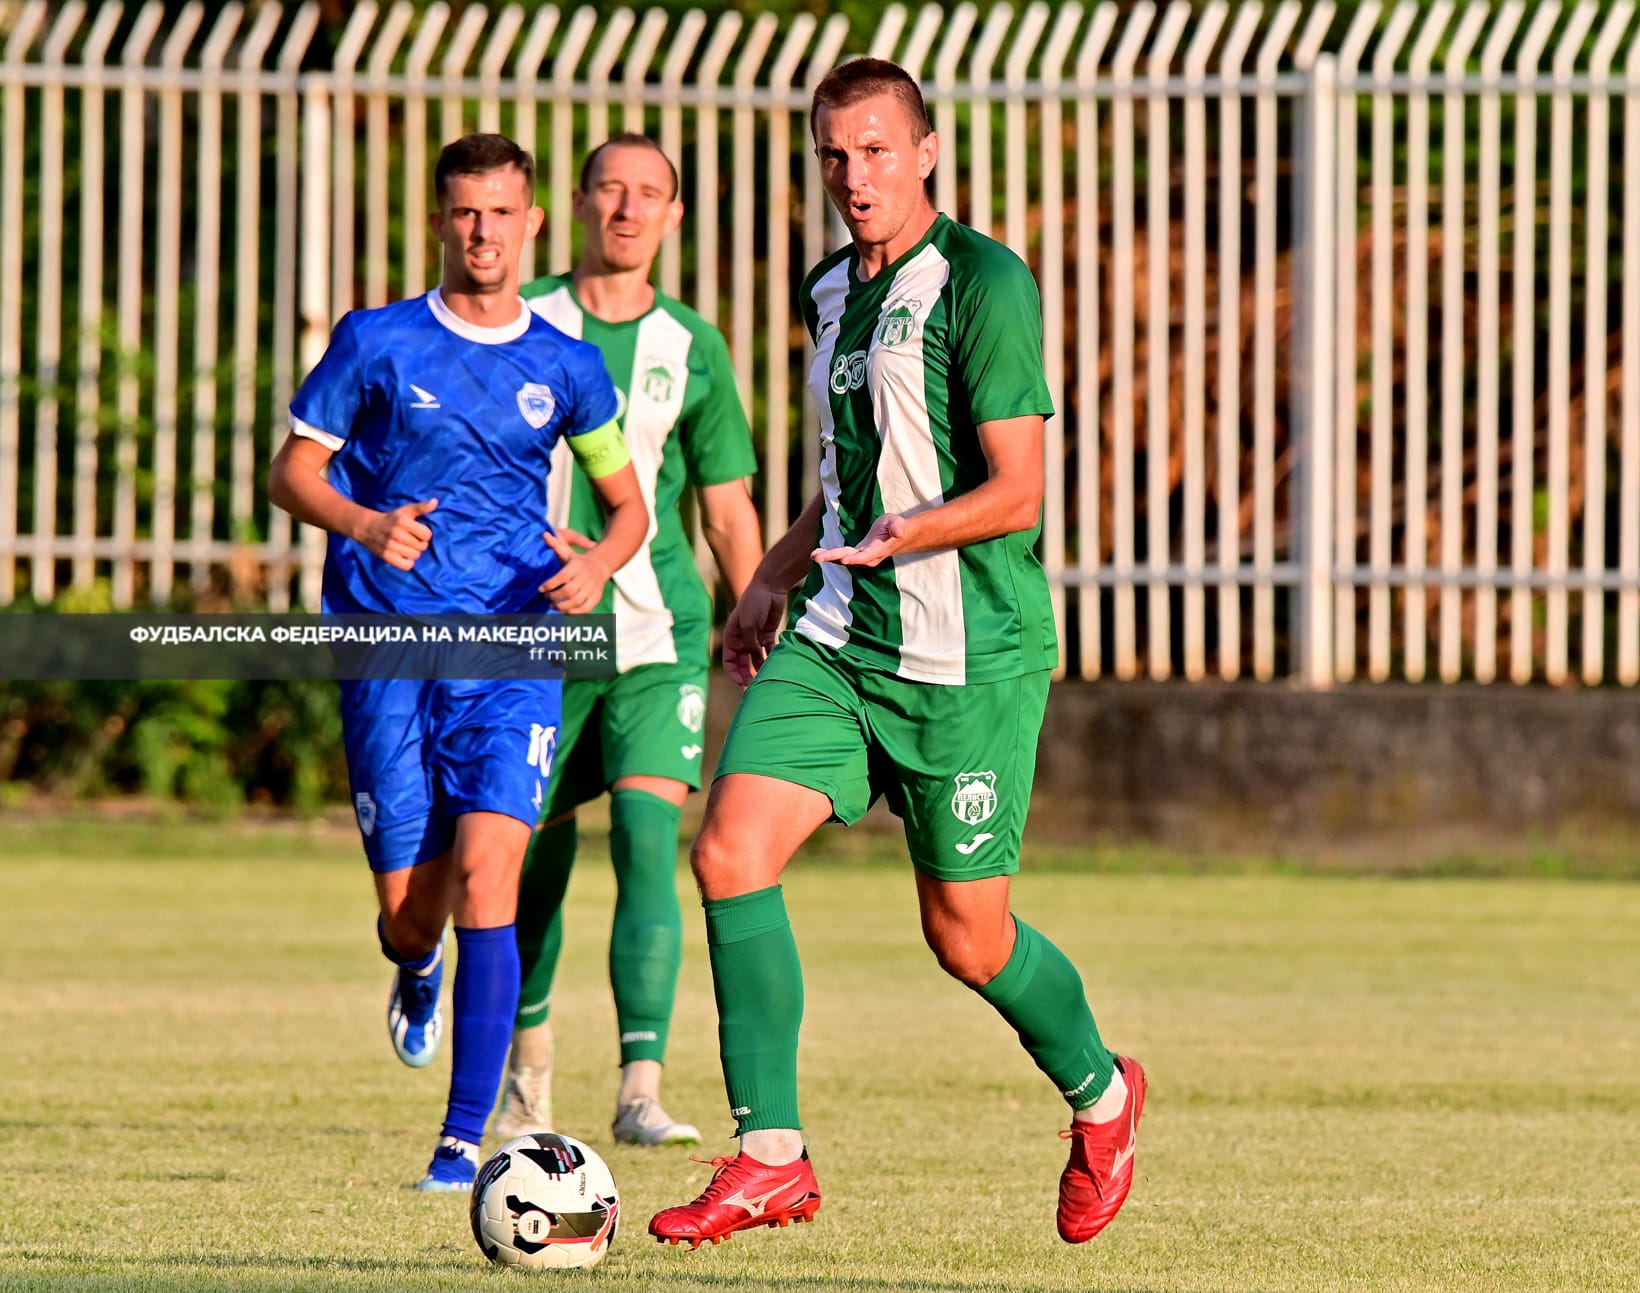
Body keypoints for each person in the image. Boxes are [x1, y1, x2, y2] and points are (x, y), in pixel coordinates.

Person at [646, 59, 1145, 1250]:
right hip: (838, 638)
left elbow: (1017, 491)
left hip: (968, 656)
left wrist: (917, 530)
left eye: (877, 150)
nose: (853, 175)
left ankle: (1106, 1096)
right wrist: (772, 571)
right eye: (834, 153)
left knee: (966, 935)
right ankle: (771, 1155)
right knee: (726, 850)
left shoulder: (984, 283)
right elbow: (845, 481)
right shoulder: (828, 291)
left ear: (925, 151)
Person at [266, 133, 648, 1193]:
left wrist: (598, 569)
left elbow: (627, 510)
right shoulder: (376, 342)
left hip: (516, 646)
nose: (482, 233)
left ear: (534, 225)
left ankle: (460, 1143)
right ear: (440, 221)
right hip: (389, 648)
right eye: (464, 213)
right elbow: (292, 473)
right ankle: (415, 970)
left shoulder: (567, 365)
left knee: (492, 876)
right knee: (410, 914)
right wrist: (362, 521)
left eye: (501, 214)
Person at [491, 133, 763, 1150]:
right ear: (578, 202)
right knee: (534, 860)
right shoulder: (523, 321)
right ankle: (527, 1073)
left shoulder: (692, 346)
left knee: (652, 839)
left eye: (650, 193)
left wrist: (753, 607)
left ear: (674, 216)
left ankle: (641, 1088)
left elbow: (727, 508)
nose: (628, 208)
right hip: (532, 638)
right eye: (610, 187)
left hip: (657, 633)